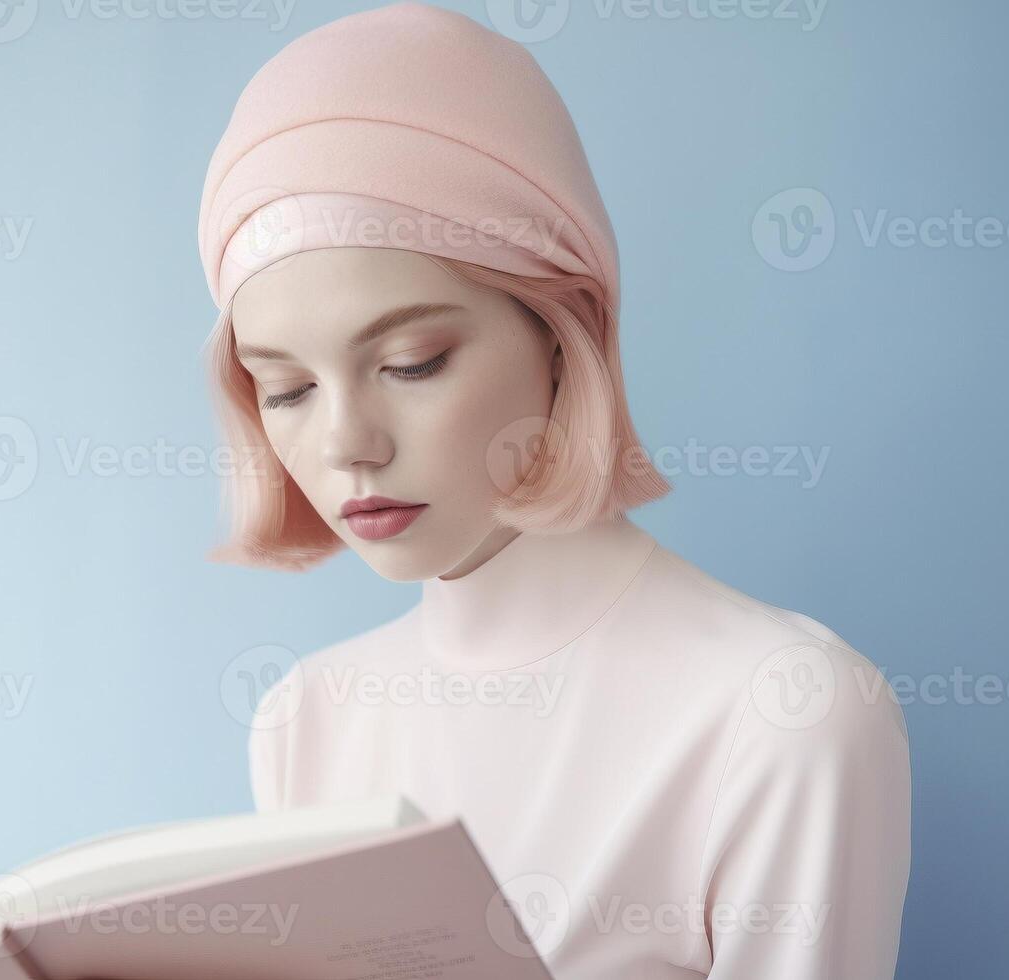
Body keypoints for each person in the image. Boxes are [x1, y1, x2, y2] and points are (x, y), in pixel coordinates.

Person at [196, 4, 910, 977]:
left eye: (412, 361)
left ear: (559, 334)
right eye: (286, 388)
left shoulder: (783, 710)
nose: (345, 443)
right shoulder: (306, 720)